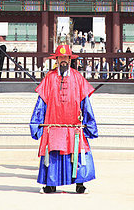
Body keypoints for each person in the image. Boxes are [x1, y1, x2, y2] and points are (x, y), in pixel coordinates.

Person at [30, 44, 98, 194]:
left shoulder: (78, 78)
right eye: (60, 57)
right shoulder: (49, 78)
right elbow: (41, 102)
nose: (63, 60)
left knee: (78, 154)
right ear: (57, 59)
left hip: (74, 125)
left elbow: (85, 101)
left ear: (69, 59)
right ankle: (50, 185)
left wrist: (89, 122)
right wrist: (36, 123)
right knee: (52, 154)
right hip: (53, 125)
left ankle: (80, 185)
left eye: (65, 57)